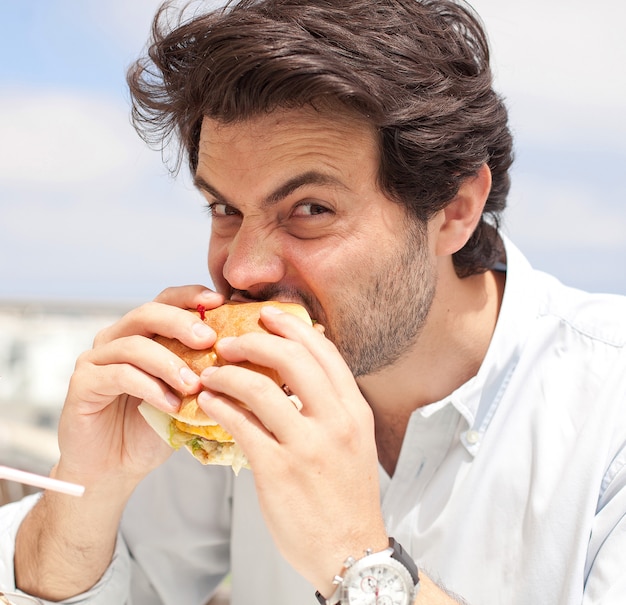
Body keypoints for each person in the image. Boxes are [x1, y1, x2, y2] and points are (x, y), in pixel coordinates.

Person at [1, 0, 625, 603]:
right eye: (224, 208)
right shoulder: (225, 407)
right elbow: (102, 585)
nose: (240, 269)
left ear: (454, 210)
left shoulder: (607, 410)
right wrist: (88, 490)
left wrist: (358, 562)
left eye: (311, 210)